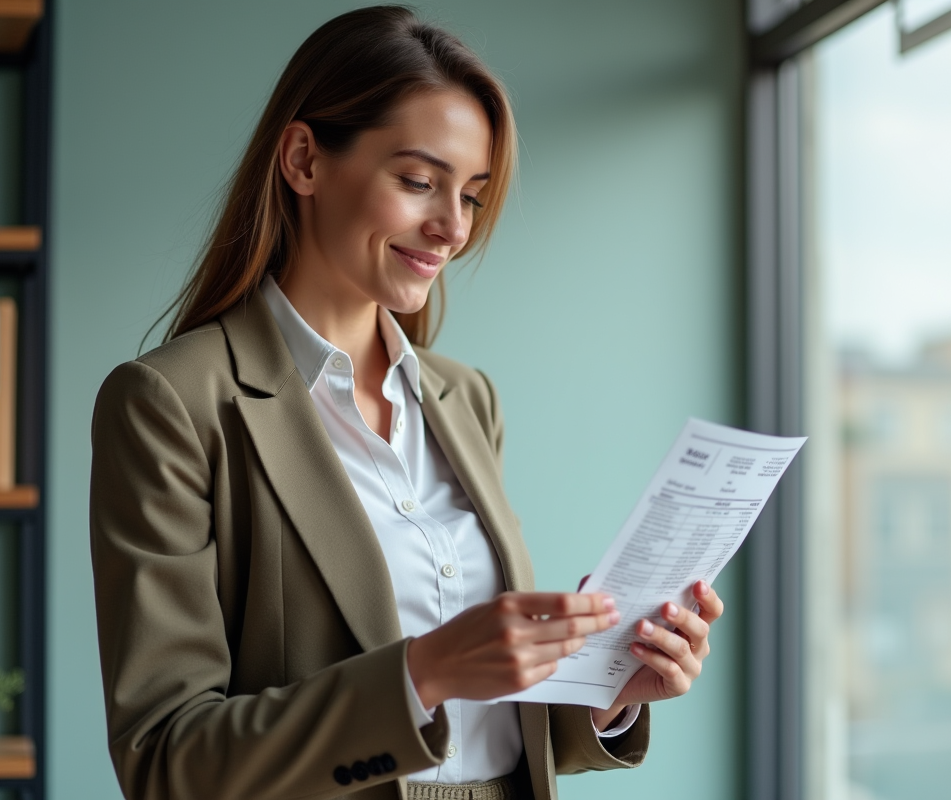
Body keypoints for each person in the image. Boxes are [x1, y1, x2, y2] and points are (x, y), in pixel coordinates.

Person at [89, 6, 724, 800]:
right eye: (420, 182)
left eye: (473, 196)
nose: (452, 227)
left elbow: (489, 730)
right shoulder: (173, 405)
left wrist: (604, 693)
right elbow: (165, 761)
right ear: (304, 160)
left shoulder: (465, 398)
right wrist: (421, 673)